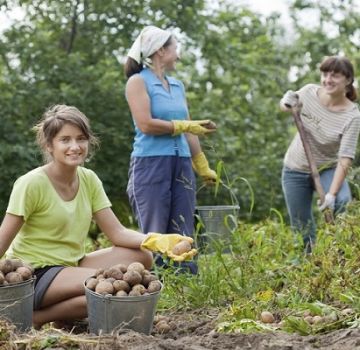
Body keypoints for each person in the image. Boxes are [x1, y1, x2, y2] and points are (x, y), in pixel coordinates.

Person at [0, 104, 196, 329]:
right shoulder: (31, 184)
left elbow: (117, 233)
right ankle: (37, 318)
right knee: (108, 288)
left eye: (81, 138)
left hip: (72, 263)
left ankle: (61, 315)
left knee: (141, 258)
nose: (75, 146)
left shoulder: (89, 179)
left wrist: (156, 240)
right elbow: (3, 240)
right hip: (36, 273)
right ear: (49, 145)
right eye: (65, 140)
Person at [124, 26, 217, 274]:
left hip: (182, 162)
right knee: (155, 226)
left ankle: (185, 280)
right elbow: (145, 124)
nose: (178, 54)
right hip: (151, 162)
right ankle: (156, 282)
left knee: (183, 223)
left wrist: (202, 164)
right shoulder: (138, 82)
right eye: (175, 48)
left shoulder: (177, 86)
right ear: (160, 50)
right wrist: (182, 125)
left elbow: (190, 129)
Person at [280, 55, 360, 252]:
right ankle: (310, 263)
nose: (328, 80)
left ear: (348, 80)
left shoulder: (352, 116)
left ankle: (342, 255)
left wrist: (331, 195)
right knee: (301, 225)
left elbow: (345, 157)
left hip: (328, 168)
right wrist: (286, 102)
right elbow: (287, 106)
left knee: (342, 202)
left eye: (335, 76)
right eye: (325, 74)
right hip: (295, 168)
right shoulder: (308, 92)